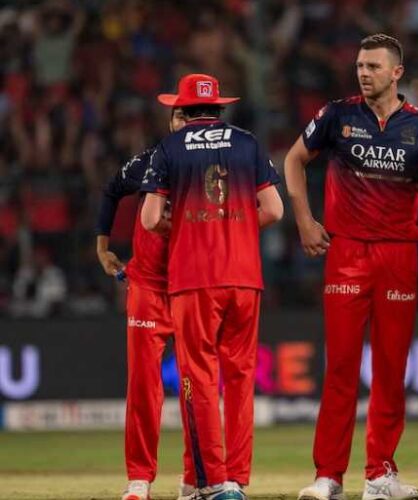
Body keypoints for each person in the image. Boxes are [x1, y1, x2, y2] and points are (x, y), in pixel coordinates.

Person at [284, 33, 418, 500]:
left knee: (392, 369)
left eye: (373, 66)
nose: (363, 73)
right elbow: (293, 160)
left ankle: (380, 475)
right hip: (348, 253)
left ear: (397, 73)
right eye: (359, 65)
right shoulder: (338, 114)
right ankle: (328, 477)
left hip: (399, 255)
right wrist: (305, 220)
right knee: (340, 367)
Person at [140, 73, 283, 500]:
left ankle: (213, 482)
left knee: (197, 379)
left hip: (194, 280)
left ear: (182, 111)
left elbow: (149, 219)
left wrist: (186, 228)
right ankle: (236, 480)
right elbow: (274, 210)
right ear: (219, 107)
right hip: (244, 277)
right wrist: (234, 229)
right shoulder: (248, 143)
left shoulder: (169, 148)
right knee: (240, 378)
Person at [95, 108, 186, 500]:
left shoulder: (219, 164)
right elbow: (112, 189)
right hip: (148, 288)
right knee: (144, 387)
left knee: (197, 385)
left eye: (193, 116)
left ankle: (197, 476)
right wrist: (102, 248)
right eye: (180, 116)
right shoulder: (150, 160)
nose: (186, 124)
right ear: (170, 122)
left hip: (194, 285)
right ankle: (139, 479)